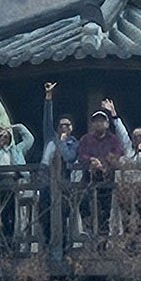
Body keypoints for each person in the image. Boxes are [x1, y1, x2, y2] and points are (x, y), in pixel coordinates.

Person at [40, 81, 80, 250]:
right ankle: (47, 246)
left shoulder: (74, 143)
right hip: (46, 181)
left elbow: (69, 157)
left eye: (67, 125)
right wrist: (49, 97)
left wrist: (63, 142)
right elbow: (47, 121)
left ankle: (62, 247)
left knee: (63, 215)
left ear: (72, 128)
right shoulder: (51, 138)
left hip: (64, 183)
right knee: (44, 214)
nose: (64, 127)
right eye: (61, 125)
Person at [77, 104, 124, 239]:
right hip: (88, 179)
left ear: (107, 123)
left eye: (102, 120)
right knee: (85, 207)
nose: (99, 123)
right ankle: (89, 234)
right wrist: (91, 160)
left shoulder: (113, 139)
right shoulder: (86, 139)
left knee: (105, 213)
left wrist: (103, 162)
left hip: (106, 180)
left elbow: (117, 153)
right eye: (96, 121)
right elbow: (81, 155)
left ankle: (102, 244)